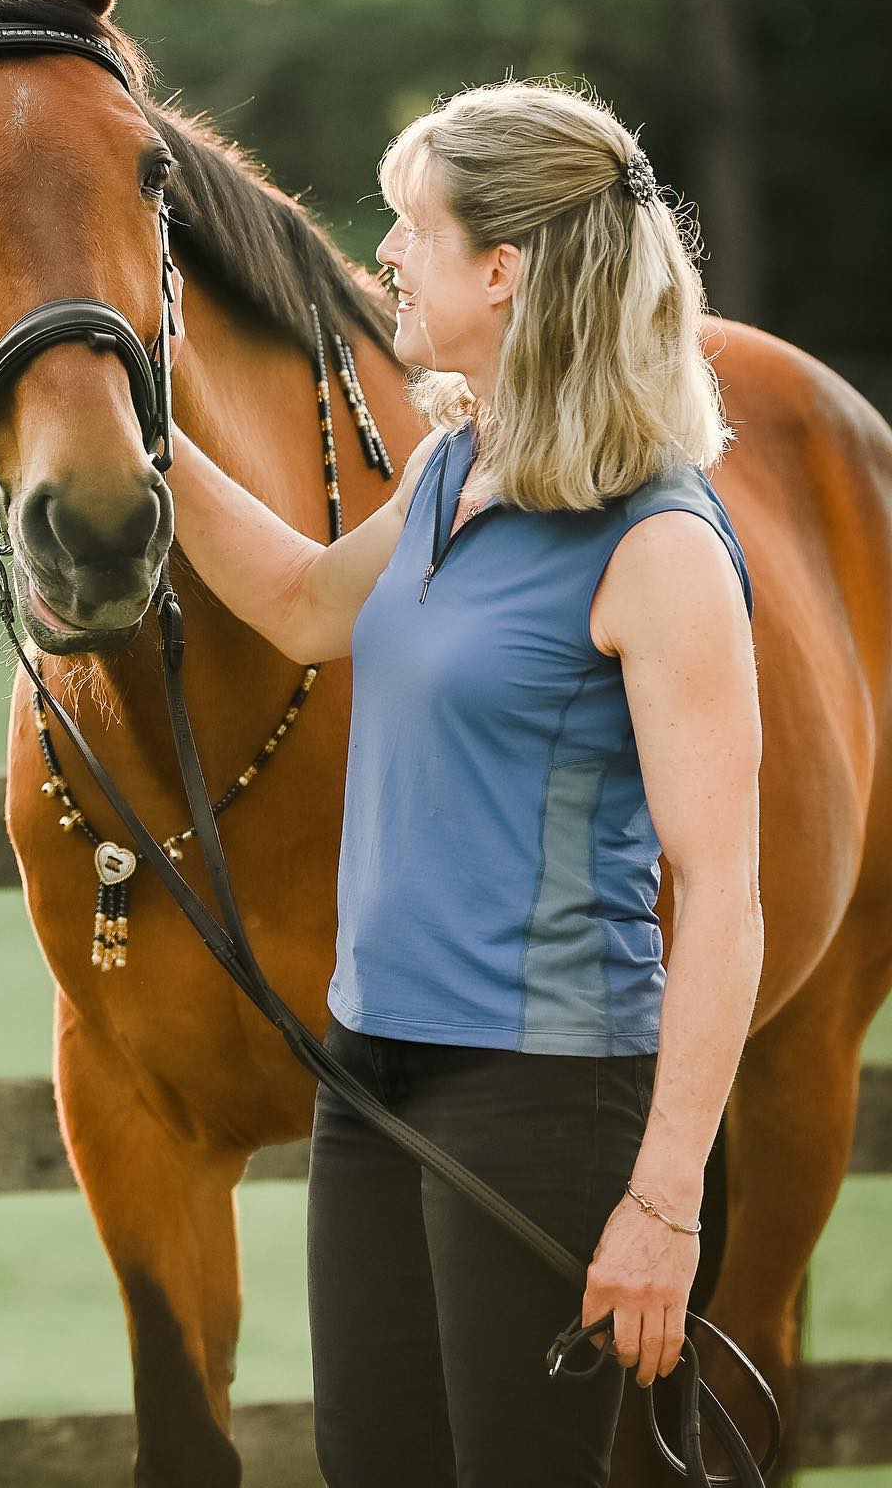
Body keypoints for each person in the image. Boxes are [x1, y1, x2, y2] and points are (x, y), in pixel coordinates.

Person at [162, 78, 764, 1487]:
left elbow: (728, 898)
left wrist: (664, 1203)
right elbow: (309, 604)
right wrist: (141, 424)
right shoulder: (452, 466)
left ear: (501, 271)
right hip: (368, 1072)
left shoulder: (661, 546)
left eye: (409, 229)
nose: (382, 259)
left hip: (544, 1093)